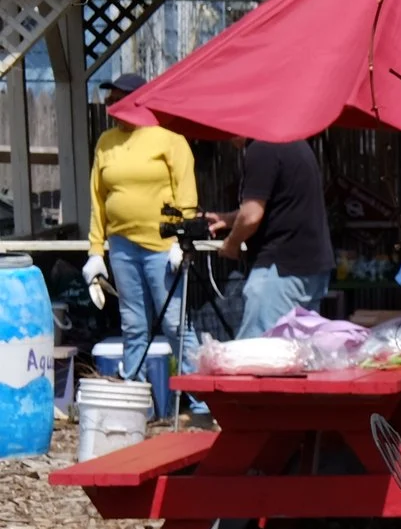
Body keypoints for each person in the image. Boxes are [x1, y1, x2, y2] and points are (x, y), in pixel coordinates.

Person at [82, 73, 198, 381]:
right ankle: (135, 390)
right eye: (110, 96)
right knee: (133, 324)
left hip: (163, 247)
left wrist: (181, 241)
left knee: (174, 322)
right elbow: (98, 197)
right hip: (122, 246)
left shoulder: (169, 138)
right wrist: (95, 251)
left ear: (138, 99)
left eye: (118, 96)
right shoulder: (106, 142)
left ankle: (202, 398)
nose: (111, 102)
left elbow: (186, 193)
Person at [207, 137, 334, 339]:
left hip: (280, 271)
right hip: (310, 269)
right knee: (298, 356)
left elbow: (251, 216)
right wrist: (227, 219)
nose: (227, 137)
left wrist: (231, 244)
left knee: (257, 355)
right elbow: (279, 205)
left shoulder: (262, 149)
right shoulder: (290, 141)